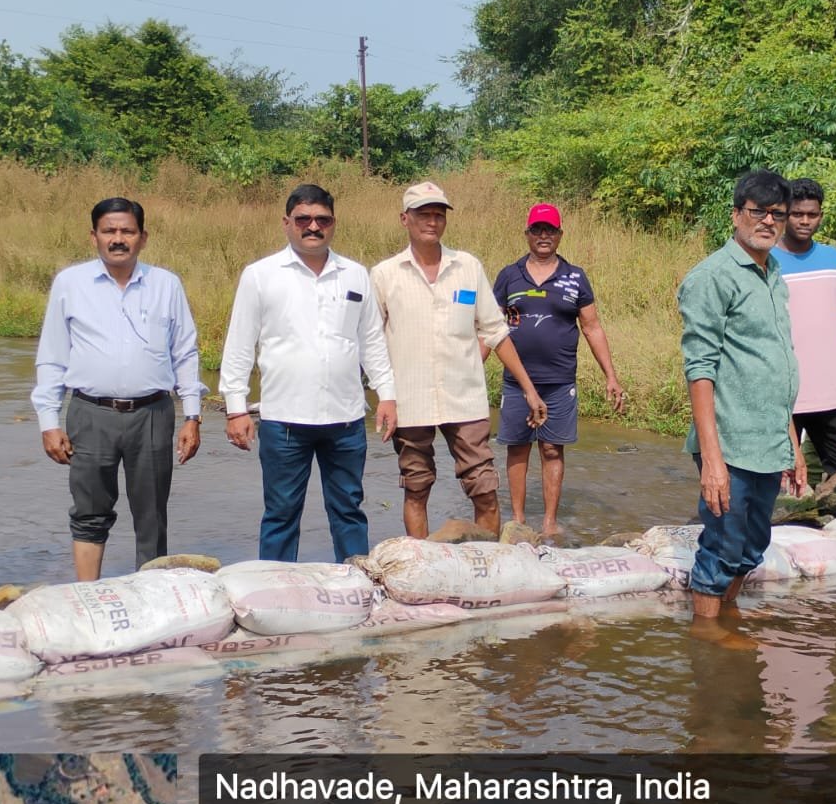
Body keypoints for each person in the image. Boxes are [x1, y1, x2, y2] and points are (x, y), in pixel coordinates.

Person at [220, 184, 397, 563]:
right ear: (287, 223)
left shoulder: (355, 275)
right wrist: (236, 409)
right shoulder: (260, 275)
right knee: (281, 515)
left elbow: (371, 341)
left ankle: (357, 582)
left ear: (333, 223)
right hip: (284, 420)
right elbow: (239, 345)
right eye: (303, 219)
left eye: (322, 220)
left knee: (349, 510)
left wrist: (387, 394)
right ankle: (274, 587)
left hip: (345, 419)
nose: (313, 227)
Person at [32, 198, 204, 579]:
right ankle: (88, 596)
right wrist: (48, 421)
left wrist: (192, 415)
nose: (118, 239)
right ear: (93, 236)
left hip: (153, 414)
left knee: (152, 515)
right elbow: (52, 356)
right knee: (89, 512)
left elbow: (185, 352)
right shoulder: (70, 284)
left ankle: (151, 596)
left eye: (127, 231)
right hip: (91, 414)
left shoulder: (166, 285)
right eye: (109, 231)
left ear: (143, 237)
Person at [370, 181, 547, 539]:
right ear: (405, 219)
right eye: (423, 214)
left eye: (439, 215)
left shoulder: (467, 267)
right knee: (416, 486)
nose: (432, 221)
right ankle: (420, 561)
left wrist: (529, 389)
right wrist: (383, 397)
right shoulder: (385, 274)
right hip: (410, 399)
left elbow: (495, 331)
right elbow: (371, 342)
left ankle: (485, 562)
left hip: (464, 399)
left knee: (484, 487)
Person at [677, 170, 808, 636]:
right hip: (729, 440)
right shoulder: (712, 277)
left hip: (768, 438)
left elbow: (777, 364)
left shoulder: (774, 274)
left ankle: (726, 620)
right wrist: (713, 461)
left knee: (752, 546)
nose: (769, 221)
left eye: (778, 214)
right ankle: (707, 639)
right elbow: (700, 369)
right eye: (758, 211)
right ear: (736, 215)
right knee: (723, 547)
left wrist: (792, 444)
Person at [492, 203, 626, 538]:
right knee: (517, 447)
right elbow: (491, 328)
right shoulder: (509, 276)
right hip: (517, 382)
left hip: (559, 381)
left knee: (552, 449)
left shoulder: (575, 277)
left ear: (560, 235)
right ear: (527, 234)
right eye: (537, 230)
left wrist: (611, 376)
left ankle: (549, 522)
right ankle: (518, 520)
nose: (543, 236)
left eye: (549, 230)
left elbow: (592, 327)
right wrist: (468, 370)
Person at [775, 178, 836, 479]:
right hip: (784, 392)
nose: (805, 221)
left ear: (821, 216)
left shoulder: (834, 259)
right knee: (777, 480)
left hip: (832, 392)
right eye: (797, 214)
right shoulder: (767, 261)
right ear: (784, 214)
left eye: (812, 214)